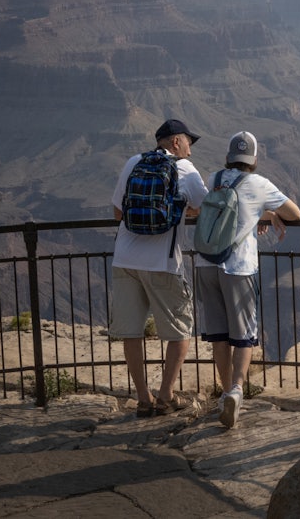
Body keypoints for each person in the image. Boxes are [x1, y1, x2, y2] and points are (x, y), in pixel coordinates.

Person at [195, 131, 300, 429]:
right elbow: (294, 213)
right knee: (244, 336)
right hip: (238, 267)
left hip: (205, 263)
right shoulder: (259, 183)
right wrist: (266, 213)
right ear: (253, 160)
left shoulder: (213, 178)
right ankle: (237, 391)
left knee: (217, 334)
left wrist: (261, 214)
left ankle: (223, 393)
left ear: (229, 157)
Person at [110, 118, 209, 417]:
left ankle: (143, 398)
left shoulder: (133, 162)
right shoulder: (185, 170)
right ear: (176, 142)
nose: (190, 151)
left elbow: (118, 211)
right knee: (180, 331)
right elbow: (207, 207)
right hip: (162, 264)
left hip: (124, 259)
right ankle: (166, 395)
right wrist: (185, 210)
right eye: (189, 143)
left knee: (132, 332)